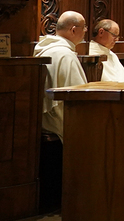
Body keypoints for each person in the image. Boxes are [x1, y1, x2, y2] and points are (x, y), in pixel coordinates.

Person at [34, 11, 88, 213]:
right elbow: (78, 96)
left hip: (41, 118)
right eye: (84, 28)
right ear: (74, 29)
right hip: (57, 123)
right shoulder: (65, 55)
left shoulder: (44, 49)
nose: (84, 33)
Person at [88, 19, 124, 84]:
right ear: (101, 32)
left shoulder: (112, 54)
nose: (116, 40)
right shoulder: (90, 53)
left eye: (117, 36)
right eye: (114, 35)